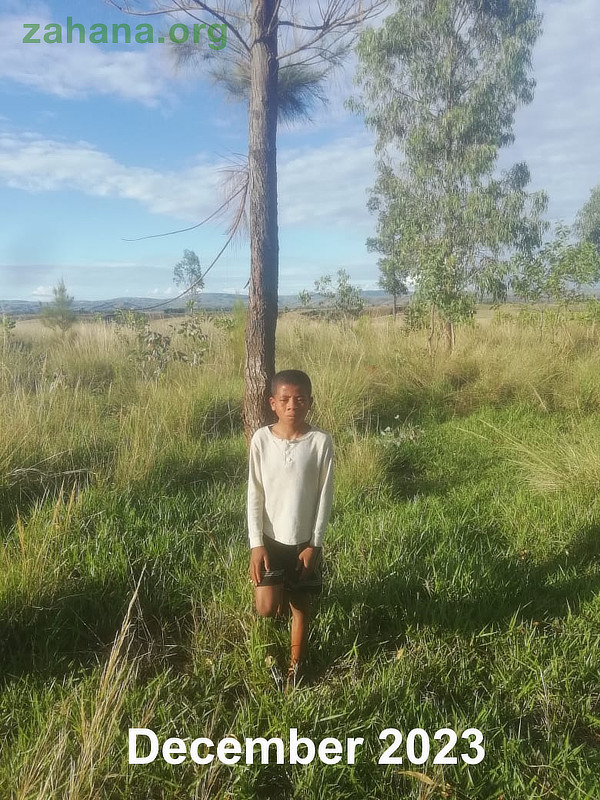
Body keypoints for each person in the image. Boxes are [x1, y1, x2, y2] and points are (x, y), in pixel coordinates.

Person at [247, 369, 334, 689]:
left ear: (310, 401)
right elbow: (253, 493)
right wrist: (256, 544)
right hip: (270, 540)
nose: (292, 405)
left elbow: (325, 496)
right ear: (272, 403)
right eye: (284, 399)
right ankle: (276, 590)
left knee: (301, 607)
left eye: (299, 399)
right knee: (268, 609)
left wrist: (315, 544)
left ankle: (295, 669)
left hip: (303, 543)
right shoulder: (261, 439)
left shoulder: (321, 442)